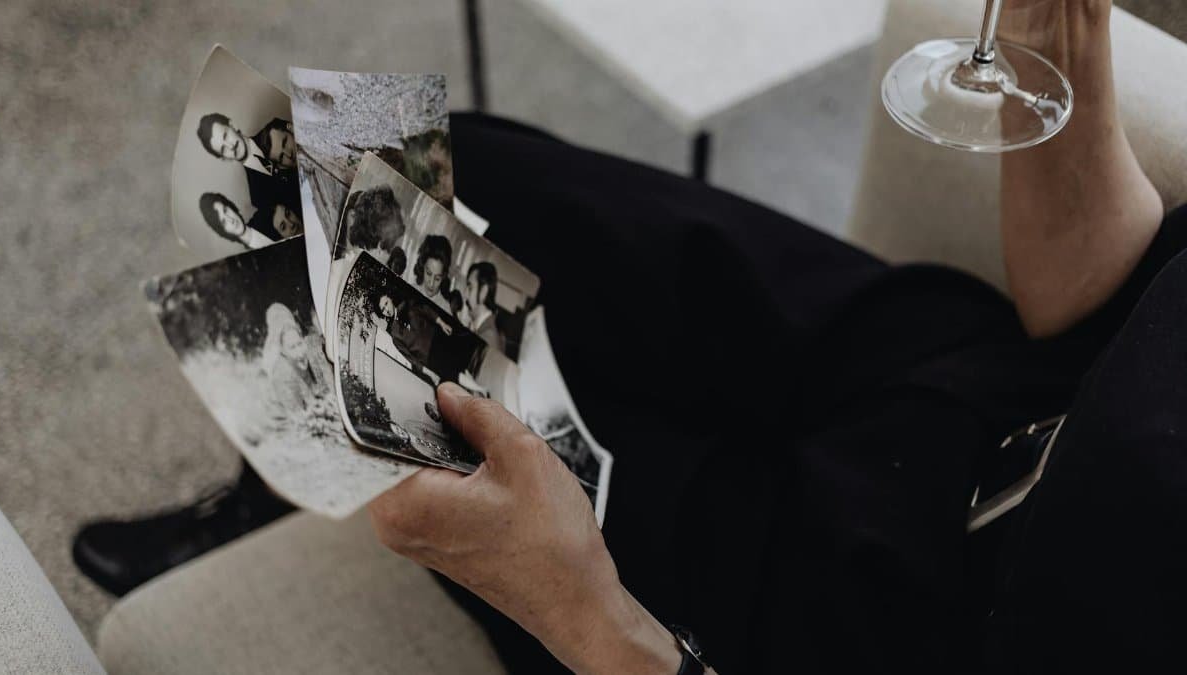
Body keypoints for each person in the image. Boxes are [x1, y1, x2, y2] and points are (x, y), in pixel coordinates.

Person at [75, 2, 1185, 670]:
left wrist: (593, 621)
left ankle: (296, 468)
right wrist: (1056, 33)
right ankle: (266, 480)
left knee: (436, 406)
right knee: (408, 174)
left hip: (874, 632)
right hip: (953, 372)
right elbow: (1109, 292)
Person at [196, 112, 301, 215]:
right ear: (223, 158)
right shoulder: (258, 197)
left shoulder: (275, 130)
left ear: (232, 125)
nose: (230, 146)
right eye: (223, 149)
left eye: (225, 135)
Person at [198, 192, 300, 247]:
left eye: (225, 210)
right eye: (223, 221)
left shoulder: (264, 216)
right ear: (222, 231)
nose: (231, 220)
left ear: (230, 206)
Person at [464, 261, 505, 353]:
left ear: (483, 292)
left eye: (470, 288)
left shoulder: (487, 337)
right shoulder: (479, 326)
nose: (465, 295)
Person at [412, 234, 453, 313]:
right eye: (429, 273)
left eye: (437, 278)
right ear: (422, 266)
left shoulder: (445, 310)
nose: (431, 283)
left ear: (444, 276)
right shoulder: (410, 291)